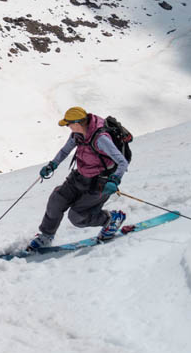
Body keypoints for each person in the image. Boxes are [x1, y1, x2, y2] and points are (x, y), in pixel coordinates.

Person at [27, 106, 129, 251]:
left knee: (77, 216)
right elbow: (64, 151)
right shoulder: (78, 134)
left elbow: (122, 162)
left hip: (100, 183)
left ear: (76, 123)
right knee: (56, 200)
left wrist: (115, 180)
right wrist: (52, 165)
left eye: (68, 124)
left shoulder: (101, 139)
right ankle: (46, 236)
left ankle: (111, 219)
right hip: (79, 176)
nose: (68, 127)